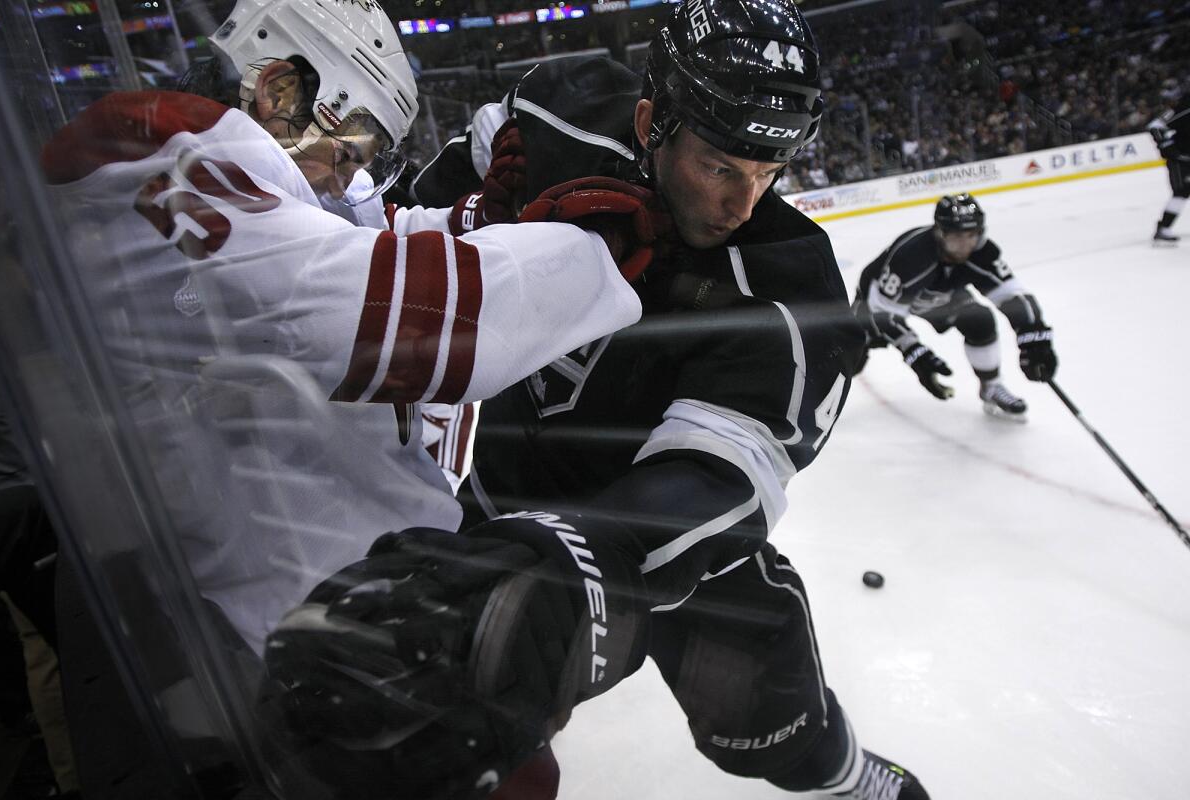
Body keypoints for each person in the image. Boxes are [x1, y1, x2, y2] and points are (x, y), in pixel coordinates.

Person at [261, 1, 930, 799]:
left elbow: (720, 475)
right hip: (500, 492)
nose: (741, 205)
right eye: (721, 167)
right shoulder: (564, 107)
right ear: (652, 121)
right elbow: (445, 181)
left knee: (764, 733)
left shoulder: (788, 287)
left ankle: (848, 777)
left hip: (664, 551)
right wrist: (471, 215)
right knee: (433, 713)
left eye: (768, 173)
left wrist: (565, 564)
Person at [39, 0, 668, 796]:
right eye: (347, 146)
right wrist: (594, 247)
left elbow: (349, 230)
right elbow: (362, 311)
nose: (349, 173)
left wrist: (485, 215)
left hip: (305, 637)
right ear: (275, 88)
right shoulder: (146, 155)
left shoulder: (211, 169)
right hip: (274, 671)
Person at [852, 193, 1058, 420]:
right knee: (850, 356)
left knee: (980, 320)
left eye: (972, 235)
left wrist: (1035, 338)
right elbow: (884, 313)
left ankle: (991, 386)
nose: (965, 245)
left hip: (939, 297)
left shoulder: (983, 253)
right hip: (877, 302)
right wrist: (916, 356)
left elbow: (1013, 294)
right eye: (957, 236)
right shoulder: (911, 256)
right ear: (940, 232)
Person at [1148, 91, 1189, 246]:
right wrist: (1167, 146)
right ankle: (1163, 229)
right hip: (1180, 160)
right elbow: (1155, 126)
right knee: (1181, 192)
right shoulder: (1185, 106)